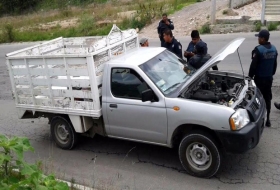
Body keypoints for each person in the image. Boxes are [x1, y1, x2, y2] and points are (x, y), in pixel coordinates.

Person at [249, 29, 278, 127]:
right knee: (267, 98)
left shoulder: (258, 50)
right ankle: (268, 120)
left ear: (263, 39)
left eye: (259, 37)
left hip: (259, 79)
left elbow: (253, 67)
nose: (258, 39)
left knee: (257, 100)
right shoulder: (274, 49)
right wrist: (270, 74)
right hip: (269, 79)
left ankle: (259, 120)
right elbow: (274, 66)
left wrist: (250, 77)